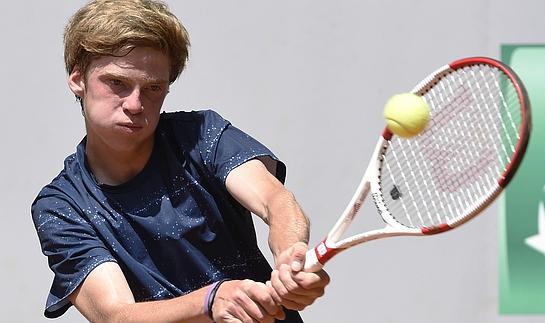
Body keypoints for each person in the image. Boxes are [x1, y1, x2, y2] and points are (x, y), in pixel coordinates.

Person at [31, 0, 329, 322]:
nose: (134, 104)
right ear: (78, 79)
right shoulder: (61, 207)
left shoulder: (202, 135)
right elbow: (115, 316)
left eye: (153, 88)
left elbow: (276, 200)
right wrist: (211, 301)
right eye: (117, 83)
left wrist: (290, 259)